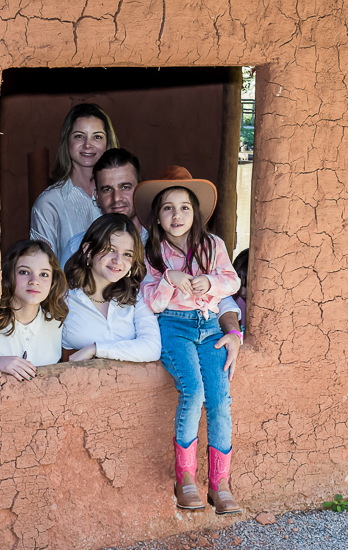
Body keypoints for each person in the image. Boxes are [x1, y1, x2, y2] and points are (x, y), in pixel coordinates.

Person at [65, 151, 246, 379]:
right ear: (96, 195)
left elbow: (221, 294)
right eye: (106, 189)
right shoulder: (77, 245)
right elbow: (62, 301)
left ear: (139, 190)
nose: (116, 197)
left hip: (158, 349)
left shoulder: (169, 242)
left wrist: (233, 332)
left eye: (125, 187)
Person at [137, 167, 243, 515]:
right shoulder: (152, 251)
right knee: (193, 390)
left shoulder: (213, 246)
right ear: (157, 216)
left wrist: (210, 283)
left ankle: (220, 484)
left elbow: (232, 282)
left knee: (219, 399)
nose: (177, 215)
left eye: (184, 207)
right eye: (168, 207)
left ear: (196, 212)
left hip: (210, 327)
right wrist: (170, 278)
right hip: (175, 327)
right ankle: (185, 479)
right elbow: (152, 301)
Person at [61, 213, 160, 363]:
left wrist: (95, 349)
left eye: (127, 254)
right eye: (110, 250)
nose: (118, 261)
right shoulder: (63, 296)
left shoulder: (136, 296)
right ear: (88, 250)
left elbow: (152, 348)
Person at [30, 104, 119, 261]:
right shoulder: (49, 203)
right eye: (79, 136)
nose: (87, 144)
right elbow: (40, 268)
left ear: (108, 142)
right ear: (67, 141)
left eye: (97, 136)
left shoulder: (121, 197)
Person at [0, 239, 68, 381]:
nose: (34, 281)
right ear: (9, 275)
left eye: (44, 274)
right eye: (24, 272)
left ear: (53, 281)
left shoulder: (57, 322)